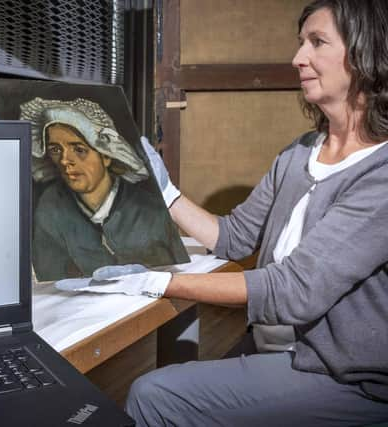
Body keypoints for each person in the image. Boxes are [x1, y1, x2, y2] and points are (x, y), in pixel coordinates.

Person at [56, 0, 388, 424]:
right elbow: (235, 236)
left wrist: (157, 282)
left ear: (365, 55)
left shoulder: (381, 174)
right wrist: (167, 194)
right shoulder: (299, 153)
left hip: (345, 378)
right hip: (278, 350)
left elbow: (292, 290)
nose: (297, 58)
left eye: (316, 42)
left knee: (154, 394)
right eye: (300, 42)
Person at [20, 97, 189, 282]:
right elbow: (51, 274)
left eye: (79, 149)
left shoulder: (148, 210)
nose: (65, 160)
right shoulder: (51, 205)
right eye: (55, 150)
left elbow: (168, 271)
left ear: (106, 156)